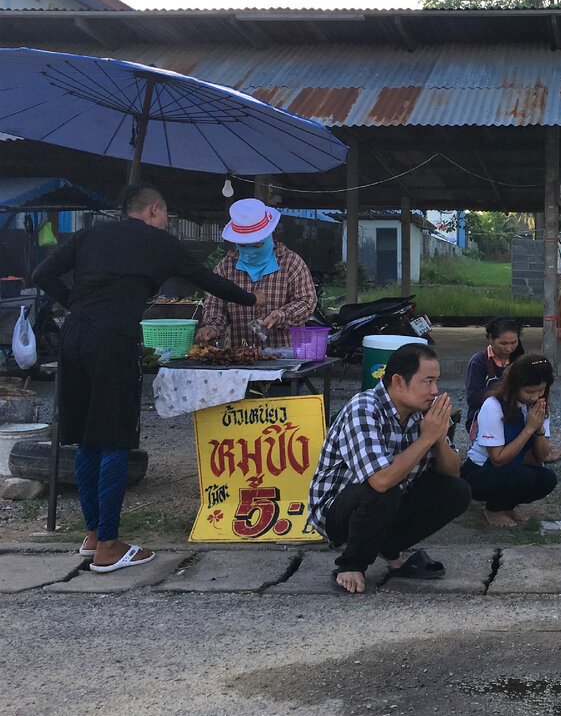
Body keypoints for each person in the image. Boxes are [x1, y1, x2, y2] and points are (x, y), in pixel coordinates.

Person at [32, 183, 258, 572]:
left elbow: (42, 273)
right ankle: (109, 546)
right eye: (166, 214)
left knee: (86, 437)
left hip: (73, 335)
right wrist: (252, 300)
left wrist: (76, 305)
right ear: (154, 209)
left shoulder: (89, 234)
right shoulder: (159, 242)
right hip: (114, 340)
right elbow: (209, 280)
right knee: (115, 438)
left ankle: (92, 536)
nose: (166, 221)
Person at [308, 342, 471, 594]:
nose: (435, 391)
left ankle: (388, 548)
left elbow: (451, 471)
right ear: (397, 381)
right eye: (427, 382)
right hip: (337, 510)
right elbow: (380, 480)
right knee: (385, 487)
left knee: (457, 491)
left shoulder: (422, 412)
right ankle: (351, 564)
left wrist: (438, 437)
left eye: (436, 382)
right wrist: (425, 438)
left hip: (388, 501)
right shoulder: (364, 408)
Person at [195, 198, 317, 349]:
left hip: (283, 353)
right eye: (243, 246)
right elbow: (215, 306)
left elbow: (307, 302)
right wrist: (212, 328)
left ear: (268, 237)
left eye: (257, 245)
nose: (251, 251)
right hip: (238, 354)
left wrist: (281, 315)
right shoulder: (225, 268)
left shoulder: (291, 263)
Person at [461, 353, 559, 527]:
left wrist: (539, 429)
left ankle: (507, 506)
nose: (535, 397)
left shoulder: (537, 406)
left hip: (513, 468)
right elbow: (497, 459)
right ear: (514, 386)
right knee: (523, 476)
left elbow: (542, 456)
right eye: (529, 391)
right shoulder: (493, 405)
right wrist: (528, 428)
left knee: (547, 479)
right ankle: (493, 509)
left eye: (541, 390)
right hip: (479, 472)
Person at [462, 316, 525, 440]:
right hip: (483, 418)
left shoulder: (519, 359)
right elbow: (473, 399)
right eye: (503, 343)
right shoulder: (479, 361)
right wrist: (504, 381)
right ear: (491, 338)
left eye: (514, 343)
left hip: (512, 415)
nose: (509, 348)